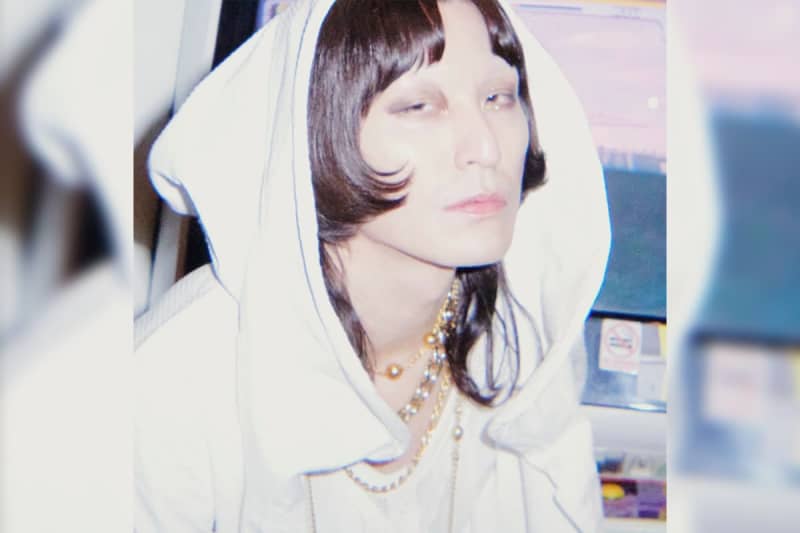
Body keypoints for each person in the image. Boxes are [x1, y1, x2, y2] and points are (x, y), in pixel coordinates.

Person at [135, 0, 610, 531]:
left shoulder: (521, 340)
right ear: (314, 131)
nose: (485, 147)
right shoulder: (173, 384)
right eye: (420, 106)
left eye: (498, 97)